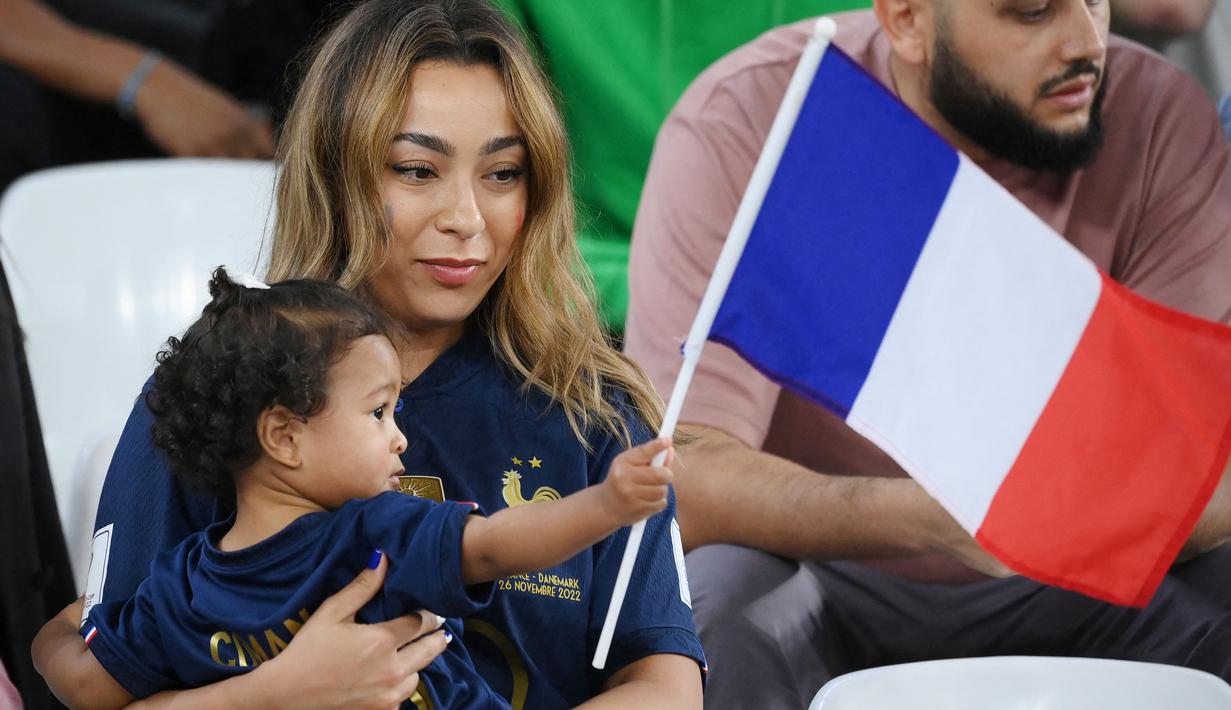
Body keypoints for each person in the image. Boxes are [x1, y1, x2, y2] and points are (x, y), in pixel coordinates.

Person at [42, 0, 705, 707]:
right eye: (417, 170)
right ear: (335, 172)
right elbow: (91, 680)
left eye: (503, 173)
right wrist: (280, 694)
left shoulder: (593, 409)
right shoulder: (222, 385)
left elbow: (663, 683)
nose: (465, 218)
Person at [624, 0, 1231, 707]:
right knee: (707, 605)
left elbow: (1198, 472)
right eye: (1031, 12)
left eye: (1095, 1)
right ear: (907, 19)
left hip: (1085, 572)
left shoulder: (1160, 115)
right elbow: (684, 472)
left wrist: (1026, 519)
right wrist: (933, 519)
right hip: (823, 565)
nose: (1086, 42)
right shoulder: (757, 115)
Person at [32, 268, 676, 709]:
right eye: (378, 413)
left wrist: (47, 636)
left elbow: (87, 688)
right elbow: (497, 545)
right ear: (283, 436)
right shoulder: (376, 530)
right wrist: (607, 504)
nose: (400, 438)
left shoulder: (180, 586)